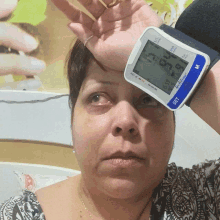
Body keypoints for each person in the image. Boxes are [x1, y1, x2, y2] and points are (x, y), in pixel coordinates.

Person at [0, 0, 220, 219]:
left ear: (172, 122)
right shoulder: (18, 215)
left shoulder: (207, 195)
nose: (125, 121)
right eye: (97, 98)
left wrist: (166, 59)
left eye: (149, 99)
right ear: (72, 117)